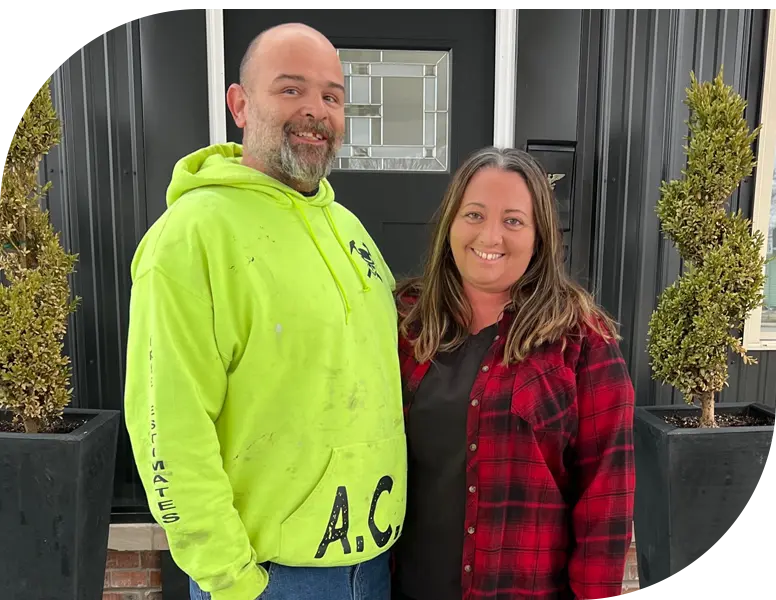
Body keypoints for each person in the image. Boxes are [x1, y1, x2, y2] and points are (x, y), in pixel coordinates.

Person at [123, 23, 406, 600]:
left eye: (331, 96)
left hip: (373, 563)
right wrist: (231, 580)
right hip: (271, 579)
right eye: (290, 89)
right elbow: (167, 430)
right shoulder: (190, 237)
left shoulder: (349, 230)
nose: (315, 110)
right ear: (240, 104)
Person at [391, 147, 636, 600]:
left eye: (513, 220)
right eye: (475, 214)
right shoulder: (404, 322)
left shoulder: (580, 341)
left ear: (540, 235)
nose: (490, 235)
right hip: (406, 586)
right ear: (450, 223)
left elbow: (606, 498)